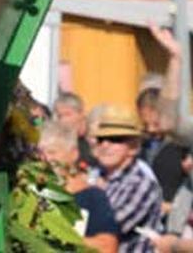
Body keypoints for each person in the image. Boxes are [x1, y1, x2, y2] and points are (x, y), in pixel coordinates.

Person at [91, 104, 164, 252]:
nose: (105, 144)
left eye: (115, 139)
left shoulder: (141, 183)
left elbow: (110, 226)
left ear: (134, 147)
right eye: (101, 138)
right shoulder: (93, 175)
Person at [39, 119, 121, 251]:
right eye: (40, 153)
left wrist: (62, 236)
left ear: (73, 154)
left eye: (52, 152)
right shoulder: (34, 191)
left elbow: (108, 246)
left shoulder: (92, 197)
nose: (46, 159)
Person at [55, 91, 99, 169]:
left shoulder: (96, 135)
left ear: (81, 113)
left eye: (67, 114)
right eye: (59, 116)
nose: (63, 120)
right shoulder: (65, 138)